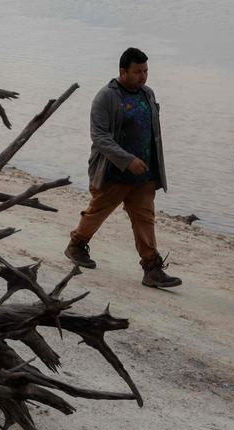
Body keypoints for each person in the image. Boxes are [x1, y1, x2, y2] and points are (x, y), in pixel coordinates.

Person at [64, 47, 181, 288]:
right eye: (138, 71)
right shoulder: (106, 97)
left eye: (146, 71)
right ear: (122, 71)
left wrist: (152, 168)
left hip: (144, 175)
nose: (143, 76)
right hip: (112, 172)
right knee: (98, 211)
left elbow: (152, 133)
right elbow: (99, 137)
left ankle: (151, 268)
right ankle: (76, 245)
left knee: (145, 218)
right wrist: (127, 160)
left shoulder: (148, 94)